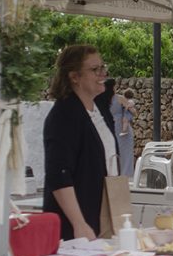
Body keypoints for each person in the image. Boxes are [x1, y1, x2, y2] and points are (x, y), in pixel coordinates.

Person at [43, 45, 118, 240]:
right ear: (74, 77)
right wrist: (79, 223)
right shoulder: (64, 115)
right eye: (95, 70)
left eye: (103, 67)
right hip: (76, 225)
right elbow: (59, 174)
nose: (103, 73)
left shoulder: (99, 109)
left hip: (102, 213)